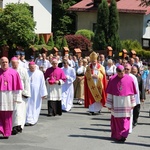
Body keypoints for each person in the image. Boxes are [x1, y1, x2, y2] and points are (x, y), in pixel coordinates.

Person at [106, 65, 136, 143]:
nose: (121, 75)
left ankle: (123, 135)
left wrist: (133, 103)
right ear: (117, 72)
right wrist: (109, 104)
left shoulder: (130, 79)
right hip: (116, 103)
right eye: (119, 73)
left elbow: (131, 93)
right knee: (117, 120)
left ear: (124, 72)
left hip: (126, 103)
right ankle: (117, 135)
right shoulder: (112, 79)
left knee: (125, 120)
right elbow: (110, 93)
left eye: (122, 73)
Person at [0, 57, 22, 138]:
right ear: (0, 63)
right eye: (2, 62)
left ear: (8, 63)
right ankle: (1, 129)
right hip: (0, 96)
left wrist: (17, 98)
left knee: (8, 116)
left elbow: (17, 87)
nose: (4, 63)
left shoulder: (14, 73)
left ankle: (7, 133)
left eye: (6, 62)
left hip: (10, 96)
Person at [11, 57, 31, 135]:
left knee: (21, 111)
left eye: (15, 63)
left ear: (18, 63)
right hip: (13, 94)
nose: (14, 65)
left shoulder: (23, 70)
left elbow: (27, 82)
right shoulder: (10, 70)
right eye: (12, 64)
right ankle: (14, 126)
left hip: (22, 94)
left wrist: (25, 92)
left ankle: (20, 126)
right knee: (15, 111)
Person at [25, 61, 47, 126]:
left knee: (35, 105)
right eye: (31, 68)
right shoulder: (26, 72)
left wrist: (43, 93)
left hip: (36, 93)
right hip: (28, 92)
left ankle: (34, 119)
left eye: (33, 68)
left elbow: (42, 83)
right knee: (27, 106)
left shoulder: (39, 73)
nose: (32, 69)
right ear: (29, 67)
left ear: (35, 66)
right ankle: (27, 119)